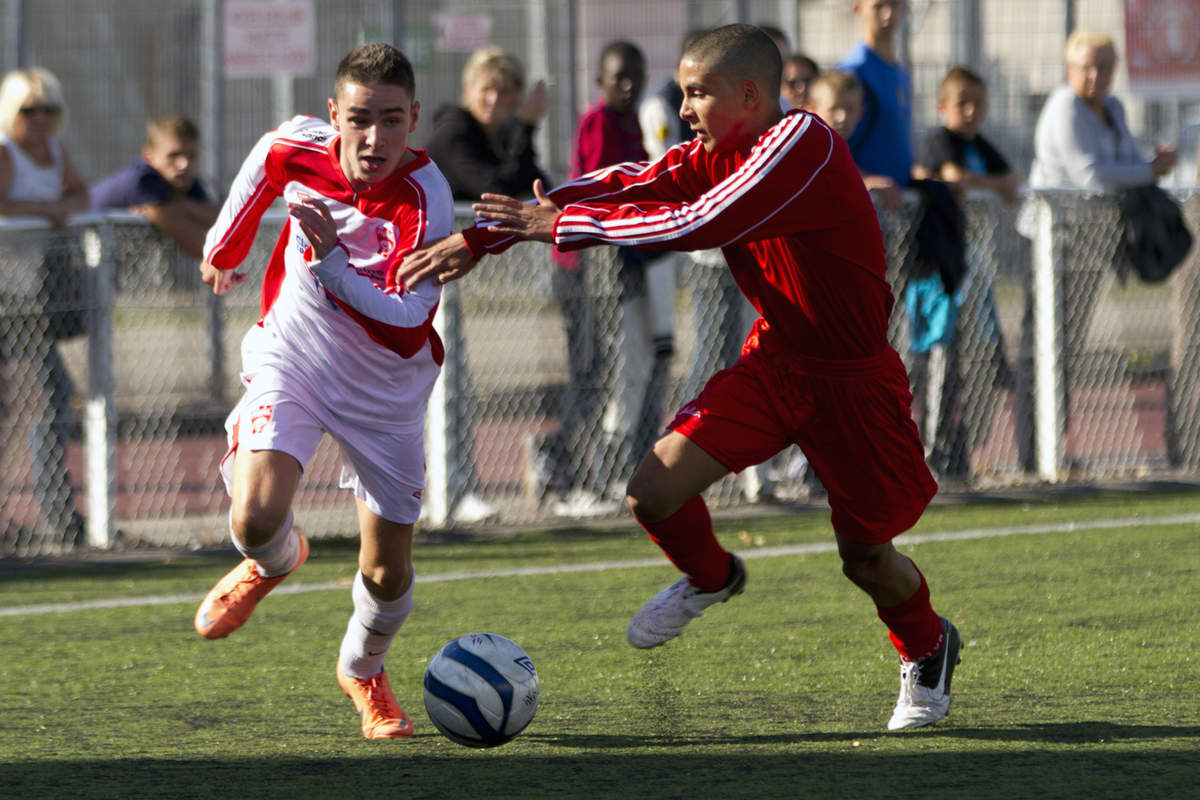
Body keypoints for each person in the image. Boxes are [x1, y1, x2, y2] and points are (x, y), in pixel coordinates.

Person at [399, 24, 961, 731]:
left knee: (866, 558)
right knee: (651, 492)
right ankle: (711, 575)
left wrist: (560, 227)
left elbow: (694, 222)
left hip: (854, 382)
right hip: (779, 361)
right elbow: (636, 180)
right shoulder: (718, 150)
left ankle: (929, 645)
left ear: (750, 96)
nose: (685, 107)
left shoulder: (802, 146)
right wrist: (490, 232)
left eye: (699, 92)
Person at [191, 43, 453, 740]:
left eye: (392, 120)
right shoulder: (298, 145)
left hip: (386, 391)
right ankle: (275, 560)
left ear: (414, 119)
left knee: (387, 571)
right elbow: (265, 160)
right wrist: (226, 242)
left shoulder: (426, 197)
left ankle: (362, 668)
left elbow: (407, 324)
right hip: (294, 359)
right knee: (253, 518)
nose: (374, 139)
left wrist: (333, 263)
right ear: (333, 114)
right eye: (359, 119)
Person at [1016, 30, 1177, 471]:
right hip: (1052, 243)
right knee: (1041, 347)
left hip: (1091, 245)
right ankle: (1033, 455)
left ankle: (1055, 446)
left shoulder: (1114, 108)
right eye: (1085, 66)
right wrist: (1147, 170)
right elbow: (1091, 177)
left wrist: (1149, 164)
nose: (1094, 75)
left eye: (1103, 66)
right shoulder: (1063, 108)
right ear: (1069, 69)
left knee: (1067, 347)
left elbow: (1123, 161)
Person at [545, 40, 675, 519]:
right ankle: (568, 477)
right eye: (618, 77)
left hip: (620, 268)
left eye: (635, 77)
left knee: (621, 372)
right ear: (599, 80)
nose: (628, 86)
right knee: (591, 373)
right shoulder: (598, 122)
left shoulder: (634, 124)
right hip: (586, 269)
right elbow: (605, 192)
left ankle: (600, 472)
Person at [425, 46, 552, 523]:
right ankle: (448, 494)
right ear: (468, 91)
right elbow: (494, 188)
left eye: (506, 92)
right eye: (487, 90)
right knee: (442, 377)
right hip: (421, 267)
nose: (495, 100)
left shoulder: (499, 134)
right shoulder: (455, 131)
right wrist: (527, 128)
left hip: (448, 272)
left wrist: (523, 135)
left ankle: (451, 489)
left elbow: (533, 182)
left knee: (451, 377)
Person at [913, 66, 1019, 477]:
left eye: (978, 103)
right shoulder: (941, 141)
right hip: (942, 267)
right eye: (962, 103)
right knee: (937, 353)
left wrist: (988, 183)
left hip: (977, 267)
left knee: (982, 354)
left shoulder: (981, 144)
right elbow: (954, 176)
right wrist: (991, 185)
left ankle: (961, 445)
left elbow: (1013, 176)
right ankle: (933, 446)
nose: (971, 111)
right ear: (943, 107)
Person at [0, 66, 90, 546]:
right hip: (3, 297)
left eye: (47, 110)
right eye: (27, 110)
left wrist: (64, 204)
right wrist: (46, 210)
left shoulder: (53, 151)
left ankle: (58, 515)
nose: (38, 120)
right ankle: (57, 516)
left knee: (48, 398)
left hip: (23, 299)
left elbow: (80, 191)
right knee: (42, 397)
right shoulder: (5, 152)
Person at [89, 114, 219, 259]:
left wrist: (184, 206)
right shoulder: (142, 181)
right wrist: (181, 209)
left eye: (192, 156)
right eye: (173, 155)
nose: (184, 164)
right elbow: (198, 246)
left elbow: (222, 220)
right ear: (148, 155)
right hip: (78, 253)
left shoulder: (183, 181)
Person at [836, 0, 913, 194]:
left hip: (901, 206)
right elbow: (831, 143)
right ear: (857, 8)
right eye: (878, 6)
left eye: (894, 5)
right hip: (866, 202)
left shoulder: (900, 72)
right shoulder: (853, 71)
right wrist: (865, 179)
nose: (887, 14)